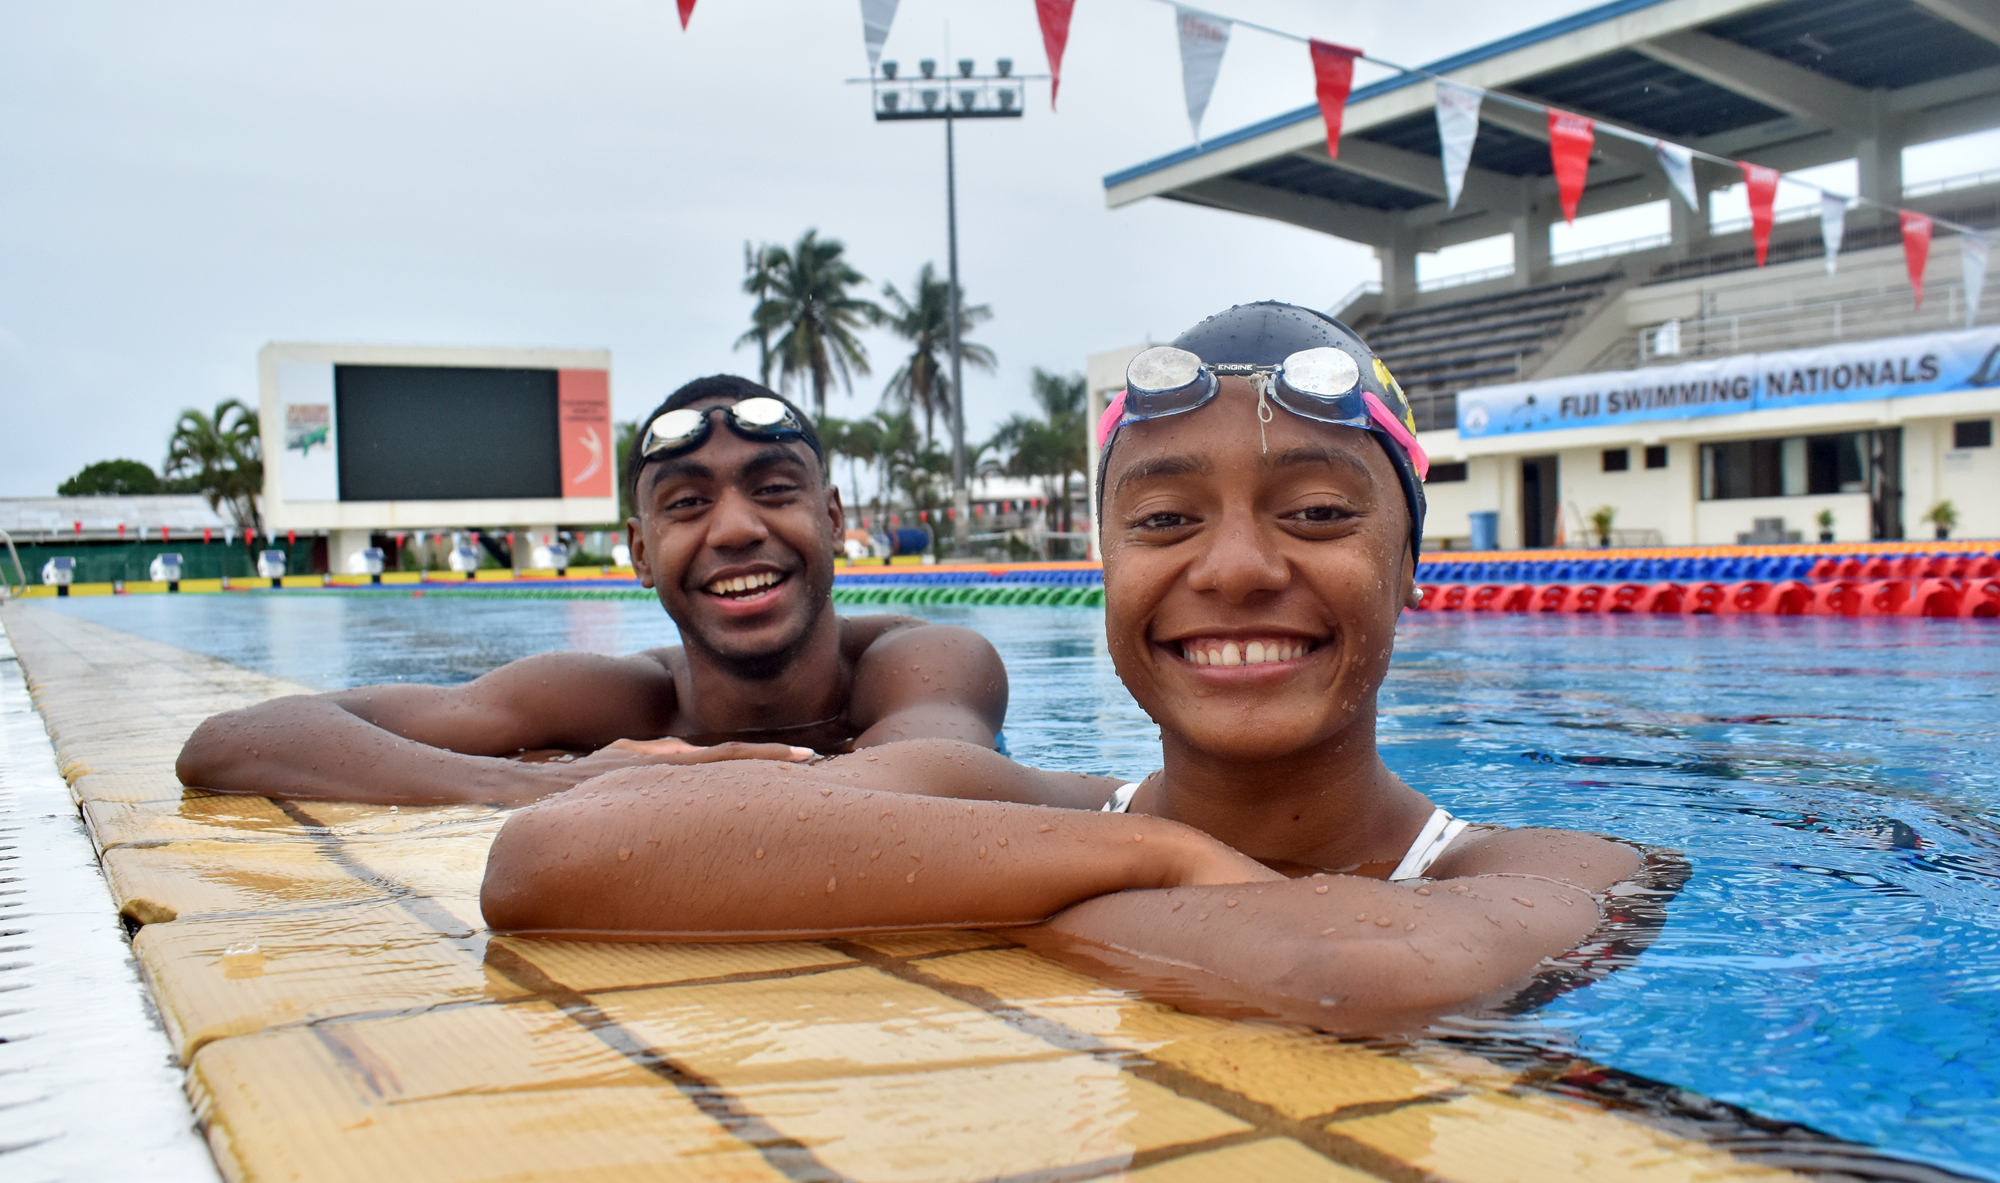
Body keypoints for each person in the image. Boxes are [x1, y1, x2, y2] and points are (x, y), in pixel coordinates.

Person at [481, 307, 1644, 1030]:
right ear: (1107, 573)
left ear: (1405, 567)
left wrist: (980, 884)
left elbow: (1359, 971)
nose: (1233, 569)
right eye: (1163, 522)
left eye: (1319, 510)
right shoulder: (996, 793)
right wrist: (1156, 848)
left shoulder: (1577, 861)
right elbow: (551, 856)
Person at [176, 375, 1008, 806]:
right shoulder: (617, 703)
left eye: (775, 489)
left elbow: (921, 785)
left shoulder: (928, 661)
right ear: (640, 554)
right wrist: (531, 784)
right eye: (687, 504)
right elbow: (234, 741)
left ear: (833, 518)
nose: (733, 530)